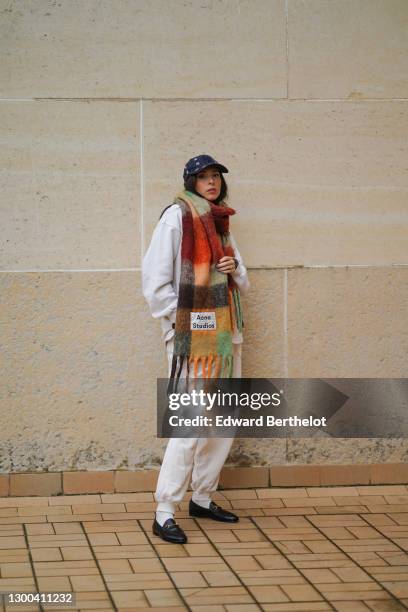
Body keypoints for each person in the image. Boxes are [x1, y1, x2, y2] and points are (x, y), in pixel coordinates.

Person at [142, 154, 250, 544]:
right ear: (190, 181)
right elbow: (155, 284)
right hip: (194, 342)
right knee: (188, 425)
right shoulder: (176, 217)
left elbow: (244, 280)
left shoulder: (221, 223)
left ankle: (202, 497)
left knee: (222, 423)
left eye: (215, 176)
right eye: (203, 176)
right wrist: (183, 323)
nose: (211, 182)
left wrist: (232, 268)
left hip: (227, 336)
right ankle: (165, 508)